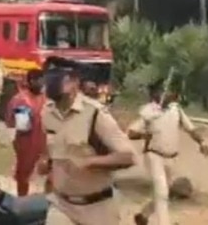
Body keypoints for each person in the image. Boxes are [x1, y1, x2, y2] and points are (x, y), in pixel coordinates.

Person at [38, 57, 136, 225]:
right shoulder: (47, 113)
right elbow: (49, 150)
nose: (50, 82)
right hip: (62, 205)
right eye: (48, 76)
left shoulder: (94, 114)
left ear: (74, 82)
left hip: (97, 208)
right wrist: (45, 162)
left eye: (57, 78)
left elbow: (128, 156)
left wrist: (90, 162)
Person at [128, 82, 208, 225]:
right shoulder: (149, 112)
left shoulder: (176, 110)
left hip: (171, 158)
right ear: (154, 95)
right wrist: (143, 136)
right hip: (154, 156)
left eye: (167, 91)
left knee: (164, 192)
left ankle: (143, 215)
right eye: (162, 91)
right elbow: (131, 133)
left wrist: (202, 143)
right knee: (162, 192)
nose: (166, 93)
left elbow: (190, 128)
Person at [6, 68, 47, 196]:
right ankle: (22, 200)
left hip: (45, 142)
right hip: (27, 143)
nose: (41, 84)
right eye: (38, 81)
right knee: (24, 176)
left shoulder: (44, 98)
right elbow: (22, 126)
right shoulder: (21, 100)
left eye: (42, 81)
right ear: (30, 81)